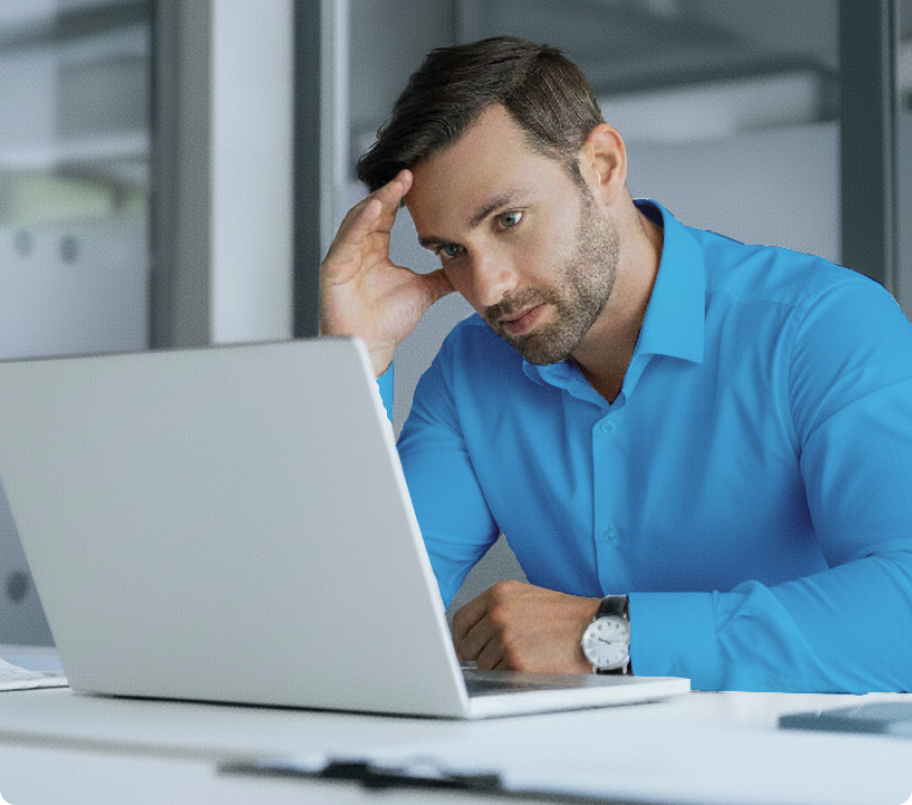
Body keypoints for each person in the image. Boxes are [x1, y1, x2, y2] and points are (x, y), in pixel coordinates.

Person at [319, 36, 912, 692]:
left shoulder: (822, 327)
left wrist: (606, 636)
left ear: (602, 165)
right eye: (451, 250)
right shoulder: (470, 373)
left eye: (509, 220)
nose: (486, 287)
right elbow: (353, 622)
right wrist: (356, 358)